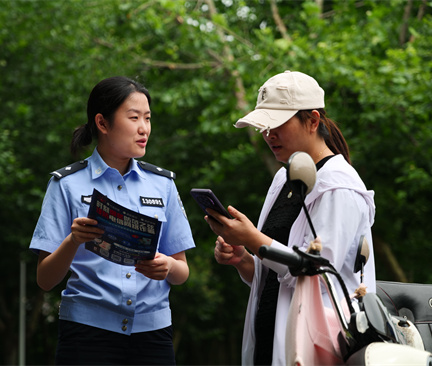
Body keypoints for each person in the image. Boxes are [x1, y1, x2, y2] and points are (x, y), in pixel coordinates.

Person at [205, 70, 376, 366]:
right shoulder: (285, 178)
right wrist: (243, 259)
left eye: (277, 124)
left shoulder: (339, 185)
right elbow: (272, 277)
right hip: (271, 340)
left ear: (312, 121)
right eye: (264, 126)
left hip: (315, 347)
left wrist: (251, 238)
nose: (268, 134)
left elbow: (320, 275)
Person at [29, 76, 196, 365]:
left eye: (148, 118)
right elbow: (45, 280)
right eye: (134, 118)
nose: (144, 128)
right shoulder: (66, 184)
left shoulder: (163, 184)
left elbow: (182, 272)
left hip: (153, 336)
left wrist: (166, 265)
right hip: (86, 335)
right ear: (102, 124)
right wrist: (73, 240)